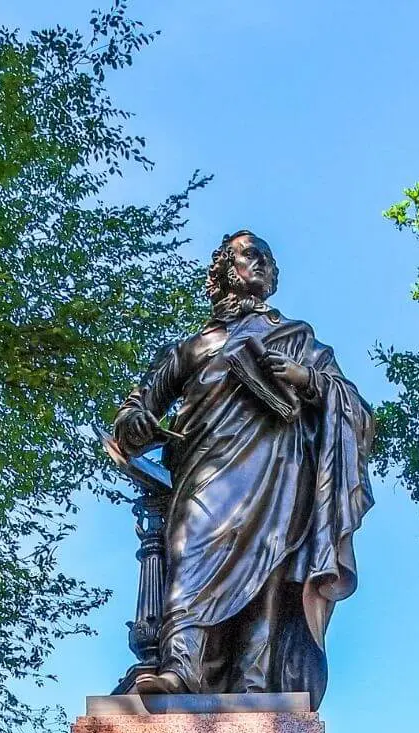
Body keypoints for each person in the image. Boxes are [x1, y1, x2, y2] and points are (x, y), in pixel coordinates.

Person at [111, 231, 374, 706]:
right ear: (226, 268)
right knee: (189, 554)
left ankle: (255, 683)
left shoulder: (298, 341)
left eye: (271, 260)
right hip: (205, 471)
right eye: (253, 255)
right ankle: (180, 666)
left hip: (278, 472)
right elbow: (134, 410)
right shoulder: (192, 348)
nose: (266, 265)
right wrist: (136, 423)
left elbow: (355, 411)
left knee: (267, 569)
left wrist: (308, 379)